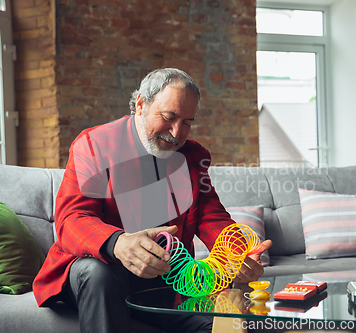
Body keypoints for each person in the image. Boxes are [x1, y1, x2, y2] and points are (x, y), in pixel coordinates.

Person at [32, 68, 272, 333]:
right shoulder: (93, 145)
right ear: (140, 104)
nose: (177, 132)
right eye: (169, 117)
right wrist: (118, 243)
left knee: (230, 327)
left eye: (188, 122)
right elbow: (71, 219)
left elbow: (211, 217)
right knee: (102, 274)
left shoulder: (193, 156)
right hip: (99, 272)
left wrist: (242, 256)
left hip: (167, 282)